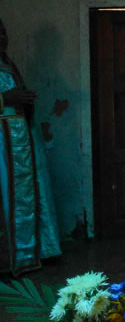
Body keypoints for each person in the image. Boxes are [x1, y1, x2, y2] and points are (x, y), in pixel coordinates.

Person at [0, 18, 61, 275]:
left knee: (28, 195)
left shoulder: (8, 64)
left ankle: (31, 253)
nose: (2, 37)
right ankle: (8, 260)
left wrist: (25, 102)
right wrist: (5, 99)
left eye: (3, 32)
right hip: (3, 146)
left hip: (21, 141)